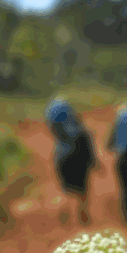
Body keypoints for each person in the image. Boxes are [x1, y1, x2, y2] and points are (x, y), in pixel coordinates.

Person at [45, 96, 95, 225]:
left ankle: (68, 217)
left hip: (62, 155)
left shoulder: (54, 120)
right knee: (82, 190)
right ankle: (81, 215)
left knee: (67, 189)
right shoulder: (81, 132)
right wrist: (93, 161)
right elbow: (86, 140)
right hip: (79, 156)